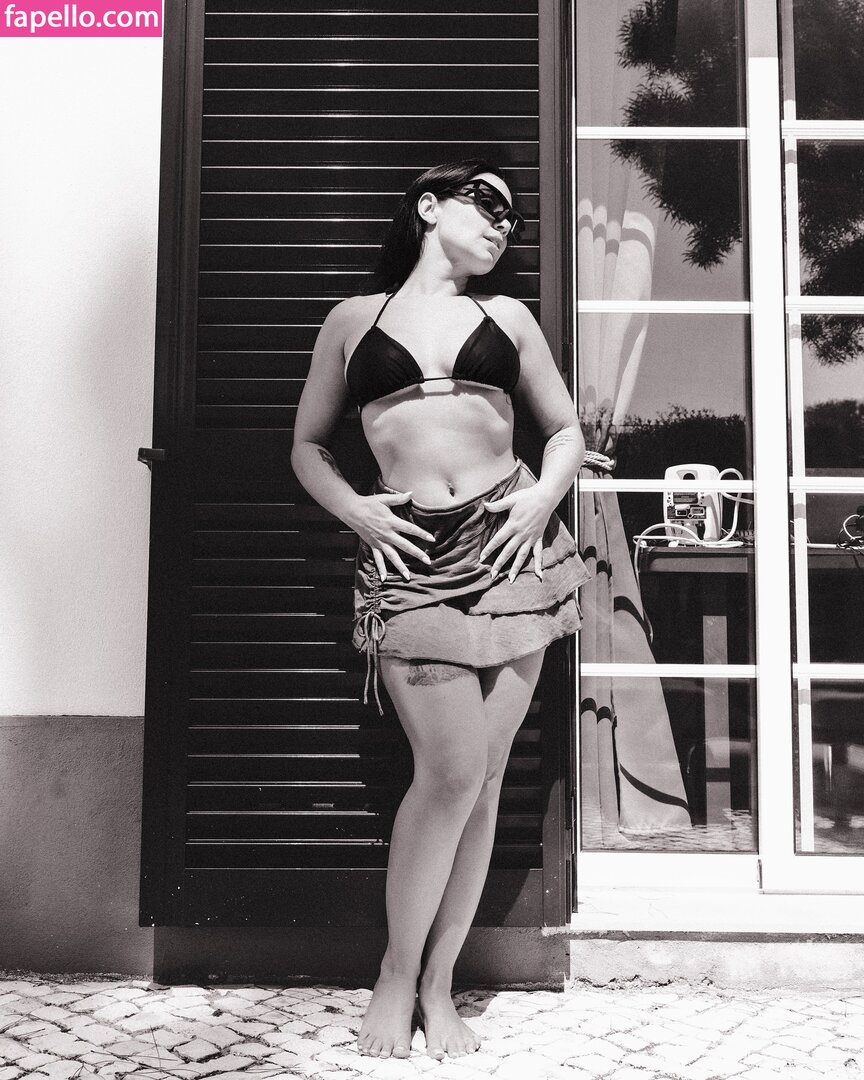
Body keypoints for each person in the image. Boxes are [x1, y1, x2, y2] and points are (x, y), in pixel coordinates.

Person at [290, 160, 589, 1060]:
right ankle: (395, 971)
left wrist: (542, 500)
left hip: (513, 553)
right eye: (486, 204)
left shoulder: (509, 319)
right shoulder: (354, 320)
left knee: (485, 777)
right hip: (413, 562)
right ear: (429, 206)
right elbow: (307, 445)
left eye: (513, 218)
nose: (503, 224)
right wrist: (355, 509)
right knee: (452, 771)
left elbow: (565, 431)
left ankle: (438, 983)